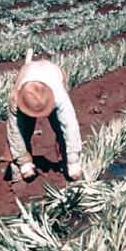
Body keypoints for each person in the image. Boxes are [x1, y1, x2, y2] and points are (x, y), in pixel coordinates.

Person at [6, 49, 83, 182]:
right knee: (23, 130)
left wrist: (73, 161)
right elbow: (14, 131)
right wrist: (23, 162)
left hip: (52, 73)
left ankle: (64, 163)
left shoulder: (58, 95)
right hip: (26, 76)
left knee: (60, 127)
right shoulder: (16, 99)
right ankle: (19, 169)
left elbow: (70, 126)